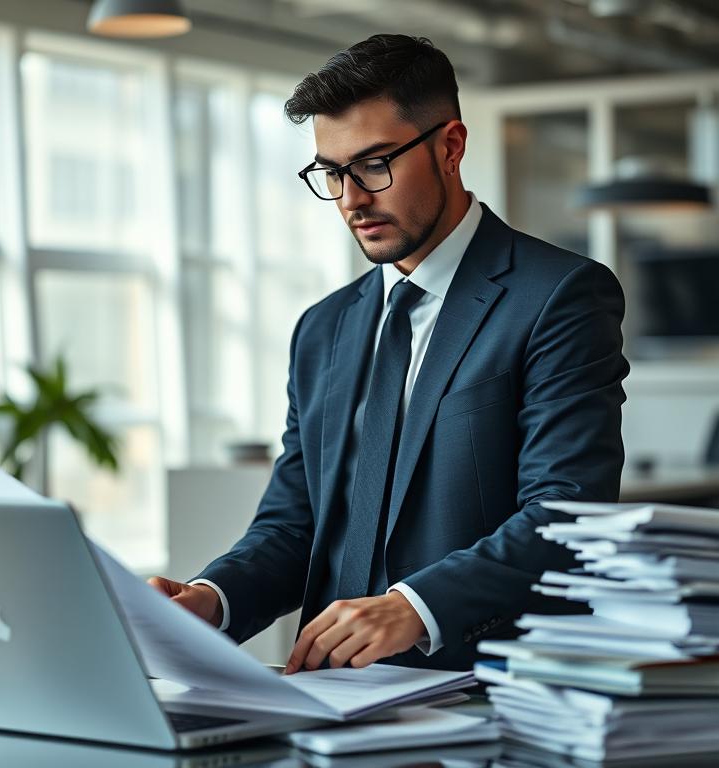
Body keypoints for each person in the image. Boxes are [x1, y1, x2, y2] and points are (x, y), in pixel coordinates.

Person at [150, 34, 629, 673]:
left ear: (451, 147)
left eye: (375, 165)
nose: (351, 198)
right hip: (330, 701)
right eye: (331, 171)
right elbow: (295, 525)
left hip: (490, 701)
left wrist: (414, 606)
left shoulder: (558, 296)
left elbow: (566, 512)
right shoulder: (321, 330)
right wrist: (211, 600)